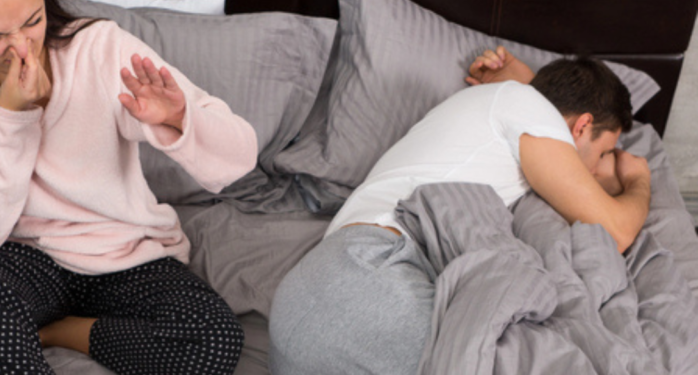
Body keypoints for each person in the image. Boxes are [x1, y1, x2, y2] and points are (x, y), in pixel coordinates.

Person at [0, 0, 256, 375]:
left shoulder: (99, 49)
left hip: (125, 250)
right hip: (27, 255)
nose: (21, 48)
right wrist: (13, 120)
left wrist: (176, 118)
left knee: (213, 342)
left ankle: (60, 330)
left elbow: (239, 158)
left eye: (32, 21)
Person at [268, 48, 651, 375]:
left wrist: (527, 82)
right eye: (603, 153)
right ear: (583, 125)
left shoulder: (503, 105)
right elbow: (615, 231)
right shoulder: (528, 107)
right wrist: (639, 181)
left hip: (313, 299)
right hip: (368, 281)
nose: (594, 170)